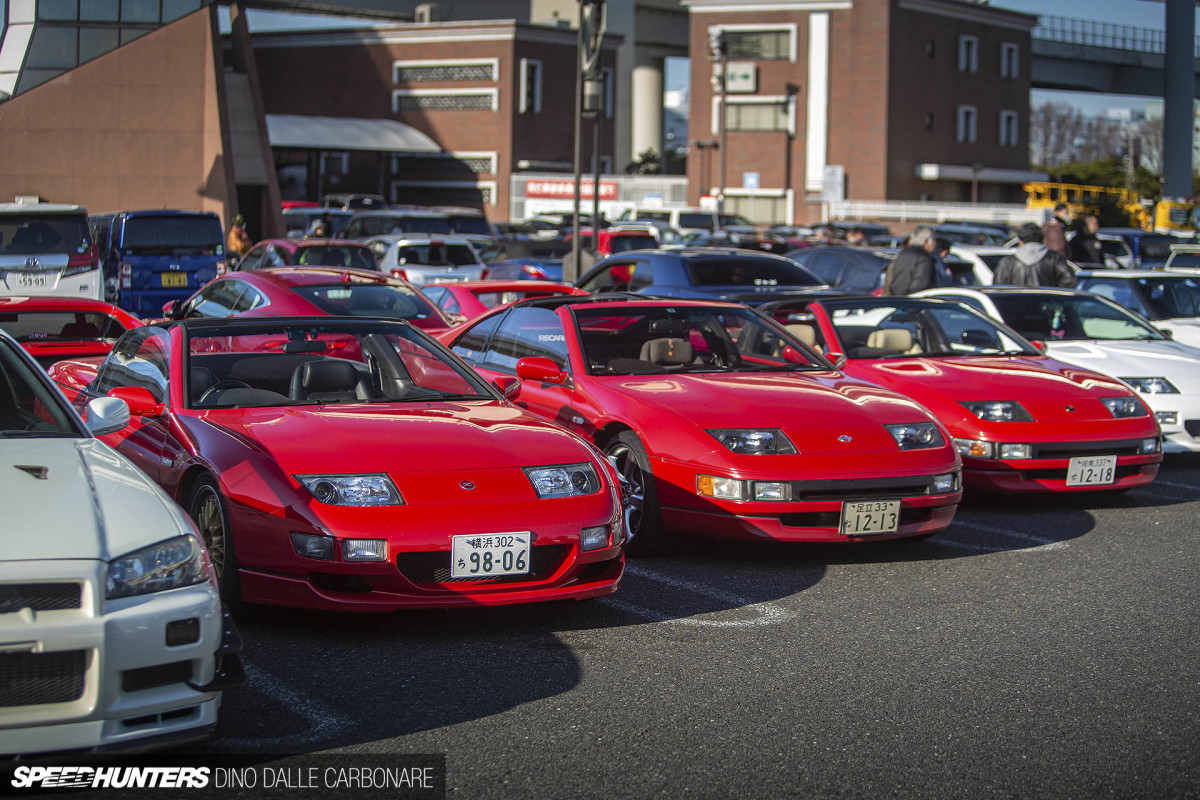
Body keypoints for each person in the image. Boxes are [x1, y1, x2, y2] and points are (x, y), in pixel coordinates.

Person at [993, 223, 1076, 287]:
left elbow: (998, 287)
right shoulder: (1054, 258)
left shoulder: (1007, 262)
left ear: (1020, 241)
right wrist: (1053, 298)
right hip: (1045, 306)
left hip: (1013, 307)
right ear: (1042, 239)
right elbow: (1069, 280)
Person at [881, 224, 938, 295]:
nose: (934, 244)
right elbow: (921, 284)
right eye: (934, 241)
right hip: (913, 301)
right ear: (926, 242)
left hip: (896, 298)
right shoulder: (924, 258)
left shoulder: (902, 254)